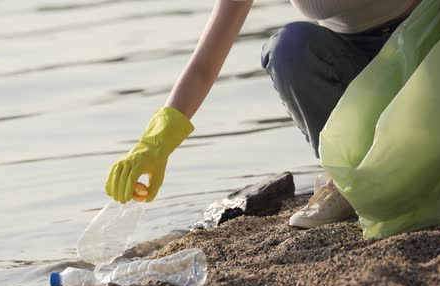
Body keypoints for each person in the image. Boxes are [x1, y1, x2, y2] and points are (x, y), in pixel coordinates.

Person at [105, 0, 422, 228]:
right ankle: (346, 178)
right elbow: (203, 67)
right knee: (289, 47)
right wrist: (155, 143)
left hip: (428, 50)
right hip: (354, 64)